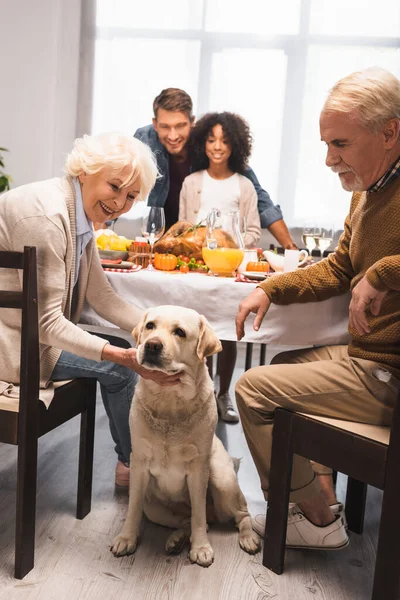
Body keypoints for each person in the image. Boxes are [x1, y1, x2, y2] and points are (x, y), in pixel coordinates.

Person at [234, 67, 400, 550]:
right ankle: (322, 501)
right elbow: (340, 266)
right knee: (285, 364)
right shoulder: (368, 192)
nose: (329, 160)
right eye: (327, 145)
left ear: (389, 133)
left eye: (341, 144)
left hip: (387, 372)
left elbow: (371, 269)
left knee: (252, 389)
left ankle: (312, 516)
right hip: (365, 359)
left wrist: (383, 272)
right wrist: (272, 288)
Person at [0, 133, 182, 488]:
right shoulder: (49, 217)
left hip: (28, 332)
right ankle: (137, 471)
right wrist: (123, 355)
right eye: (115, 187)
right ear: (85, 171)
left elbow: (104, 298)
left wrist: (158, 330)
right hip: (11, 341)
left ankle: (139, 465)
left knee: (125, 357)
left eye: (131, 196)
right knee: (121, 369)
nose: (120, 203)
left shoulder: (76, 211)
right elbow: (48, 322)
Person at [134, 87, 296, 248]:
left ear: (192, 122)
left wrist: (290, 247)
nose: (173, 135)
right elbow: (120, 181)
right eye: (165, 127)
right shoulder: (145, 139)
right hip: (162, 236)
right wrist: (107, 228)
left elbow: (259, 197)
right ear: (155, 124)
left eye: (180, 126)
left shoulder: (208, 143)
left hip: (202, 242)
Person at [179, 111, 261, 423]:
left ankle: (223, 394)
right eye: (211, 140)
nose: (217, 146)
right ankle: (203, 394)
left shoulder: (244, 186)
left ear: (235, 146)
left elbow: (253, 231)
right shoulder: (191, 182)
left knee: (226, 332)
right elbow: (184, 226)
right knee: (200, 331)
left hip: (228, 271)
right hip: (198, 269)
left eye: (225, 141)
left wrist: (227, 239)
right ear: (202, 144)